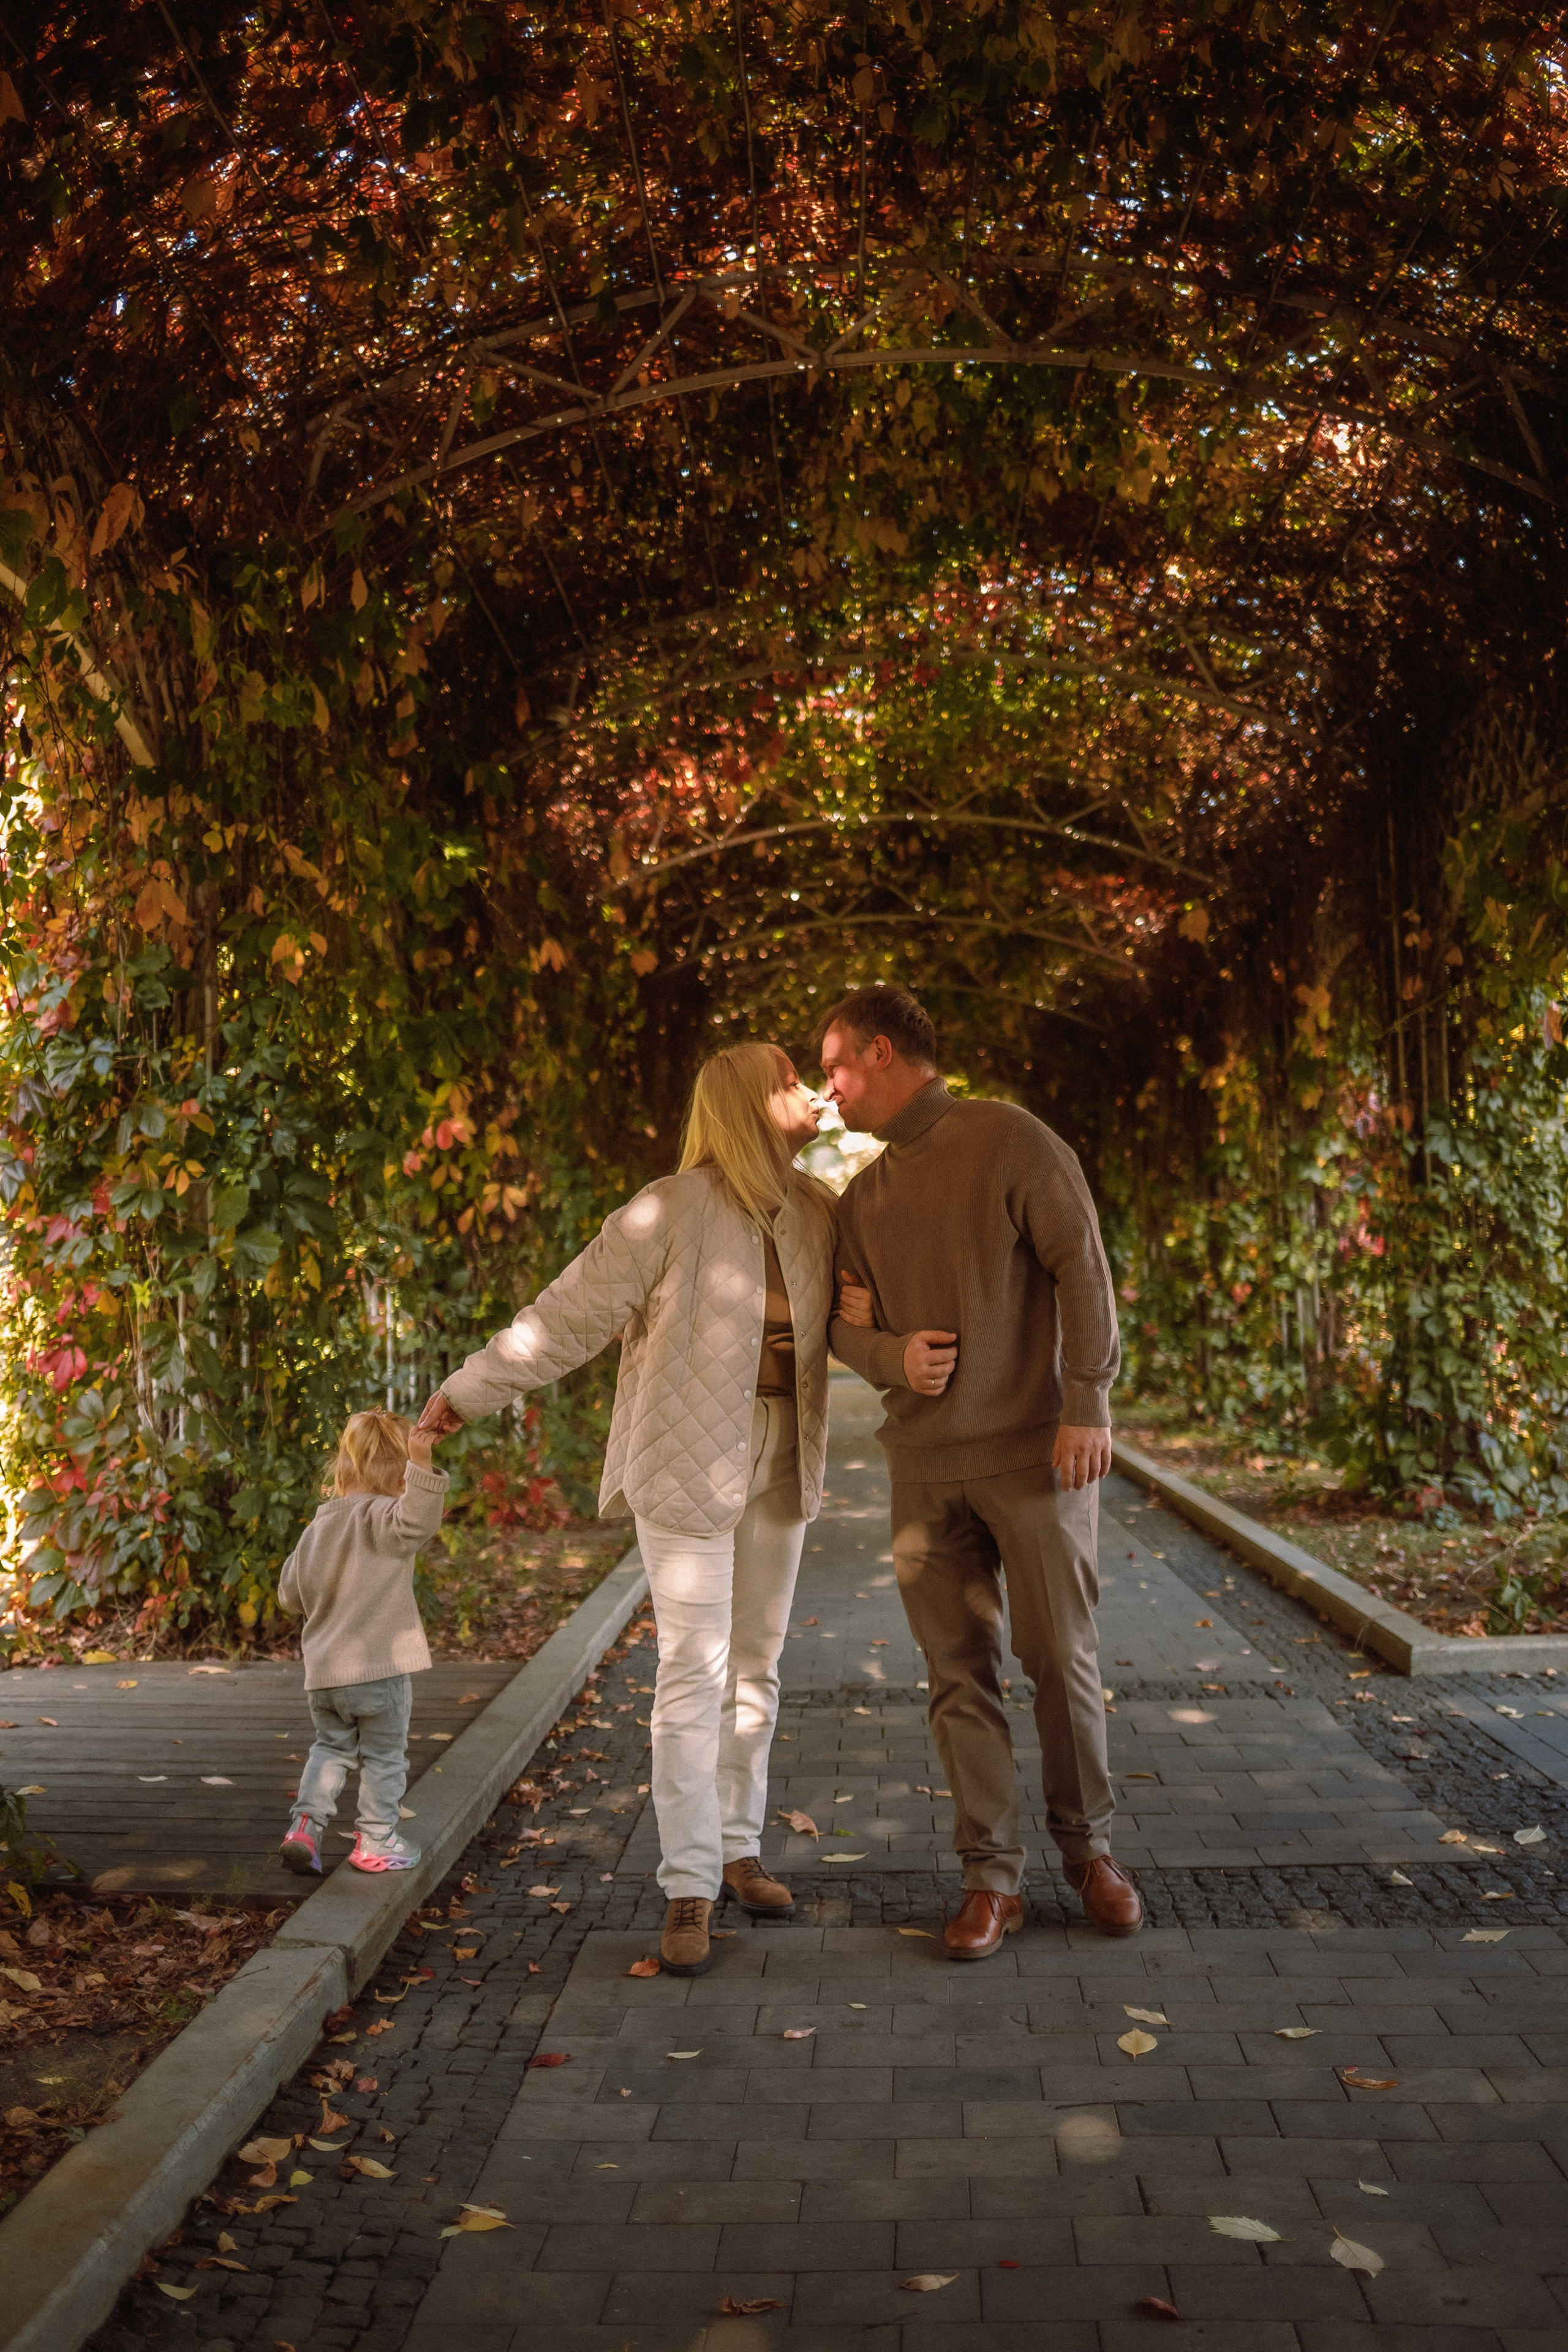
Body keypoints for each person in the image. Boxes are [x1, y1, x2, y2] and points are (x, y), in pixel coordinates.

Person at [416, 1044, 835, 1978]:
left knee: (759, 1665)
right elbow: (567, 1317)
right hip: (685, 1460)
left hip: (782, 1450)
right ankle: (689, 1885)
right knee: (696, 1668)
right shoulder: (672, 1207)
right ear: (745, 1102)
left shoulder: (817, 1210)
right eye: (789, 1078)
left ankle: (738, 1848)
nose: (808, 1089)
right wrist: (472, 1389)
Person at [823, 983, 1139, 1954]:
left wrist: (1088, 1399)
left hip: (1033, 1454)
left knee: (1060, 1660)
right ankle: (991, 1879)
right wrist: (890, 1358)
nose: (828, 1090)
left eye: (834, 1065)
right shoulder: (861, 1199)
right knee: (958, 1676)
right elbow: (845, 1325)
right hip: (922, 1467)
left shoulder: (1011, 1139)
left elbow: (1082, 1263)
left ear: (883, 1052)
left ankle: (1089, 1852)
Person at [277, 1409, 449, 1877]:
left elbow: (288, 1596)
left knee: (329, 1749)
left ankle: (306, 1828)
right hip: (380, 1672)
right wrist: (423, 1462)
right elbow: (419, 1522)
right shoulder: (387, 1520)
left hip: (325, 1677)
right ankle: (376, 1839)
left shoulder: (316, 1530)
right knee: (384, 1757)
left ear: (341, 1470)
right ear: (399, 1479)